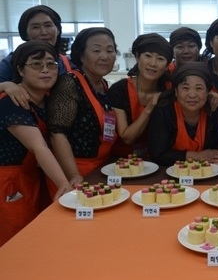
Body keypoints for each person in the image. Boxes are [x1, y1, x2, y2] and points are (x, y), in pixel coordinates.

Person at [0, 41, 71, 247]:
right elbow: (38, 147)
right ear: (20, 70)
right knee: (15, 241)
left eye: (51, 64)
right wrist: (64, 184)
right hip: (9, 181)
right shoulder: (10, 101)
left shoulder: (48, 98)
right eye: (36, 64)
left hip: (33, 177)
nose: (45, 70)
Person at [48, 28, 119, 186]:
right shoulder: (69, 83)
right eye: (96, 50)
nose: (104, 56)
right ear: (81, 55)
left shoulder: (102, 84)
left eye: (110, 50)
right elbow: (57, 133)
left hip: (101, 167)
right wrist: (73, 174)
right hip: (74, 171)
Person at [148, 62, 218, 168]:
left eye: (199, 88)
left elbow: (217, 152)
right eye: (185, 88)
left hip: (208, 171)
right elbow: (157, 155)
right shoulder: (163, 111)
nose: (192, 95)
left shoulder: (214, 111)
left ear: (208, 92)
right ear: (176, 92)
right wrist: (196, 156)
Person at [108, 33, 173, 157]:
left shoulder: (169, 90)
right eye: (147, 56)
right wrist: (150, 107)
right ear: (137, 57)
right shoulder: (119, 90)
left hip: (159, 158)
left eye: (160, 59)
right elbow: (127, 137)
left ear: (166, 66)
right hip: (122, 160)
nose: (153, 63)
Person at [0, 5, 72, 108]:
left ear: (58, 30)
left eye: (48, 25)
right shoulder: (11, 62)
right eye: (35, 27)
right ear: (26, 34)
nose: (43, 32)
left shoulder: (69, 63)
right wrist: (5, 85)